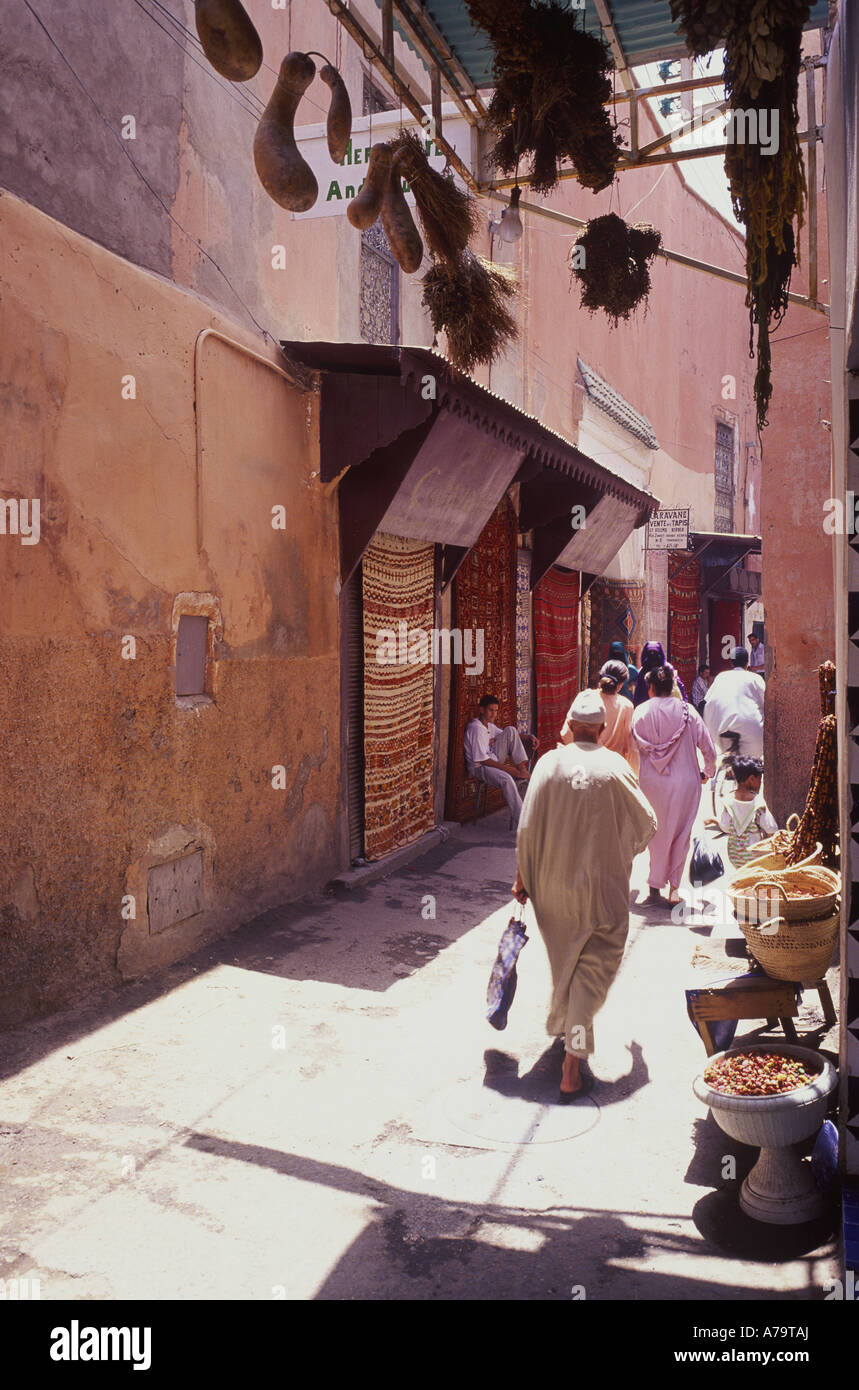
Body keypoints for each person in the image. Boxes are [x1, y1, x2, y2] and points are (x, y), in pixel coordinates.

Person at [512, 689, 656, 1100]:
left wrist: (522, 878)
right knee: (593, 969)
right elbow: (646, 823)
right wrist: (617, 844)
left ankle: (566, 1029)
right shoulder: (613, 766)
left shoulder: (547, 764)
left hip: (551, 889)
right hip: (601, 889)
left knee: (566, 963)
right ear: (603, 729)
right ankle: (571, 1067)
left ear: (570, 726)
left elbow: (527, 826)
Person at [632, 664, 717, 907]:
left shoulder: (640, 712)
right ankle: (674, 889)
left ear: (650, 688)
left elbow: (633, 746)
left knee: (656, 834)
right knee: (681, 835)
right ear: (671, 687)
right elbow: (708, 748)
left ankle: (654, 886)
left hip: (651, 785)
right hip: (685, 784)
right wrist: (707, 772)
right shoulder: (688, 712)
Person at [464, 694, 532, 829]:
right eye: (491, 710)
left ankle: (522, 770)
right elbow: (482, 760)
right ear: (482, 710)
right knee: (507, 779)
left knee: (511, 730)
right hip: (479, 766)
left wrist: (529, 738)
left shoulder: (489, 726)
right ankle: (524, 824)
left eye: (496, 710)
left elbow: (511, 735)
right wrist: (509, 769)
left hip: (492, 758)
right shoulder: (476, 728)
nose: (494, 714)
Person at [561, 659, 639, 775]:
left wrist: (582, 754)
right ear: (621, 685)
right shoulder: (626, 706)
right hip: (612, 771)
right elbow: (631, 747)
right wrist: (633, 776)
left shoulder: (584, 697)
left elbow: (566, 733)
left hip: (583, 767)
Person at [706, 755, 778, 868]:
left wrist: (714, 820)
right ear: (751, 779)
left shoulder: (728, 801)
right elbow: (772, 828)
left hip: (735, 857)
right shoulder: (758, 804)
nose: (760, 783)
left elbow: (725, 826)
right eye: (760, 779)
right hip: (755, 857)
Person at [702, 646, 765, 759]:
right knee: (752, 764)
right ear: (747, 663)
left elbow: (708, 703)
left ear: (731, 663)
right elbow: (767, 704)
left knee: (724, 759)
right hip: (752, 734)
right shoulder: (756, 678)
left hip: (723, 732)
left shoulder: (721, 677)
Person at [633, 641, 688, 706]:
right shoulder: (642, 671)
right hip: (647, 708)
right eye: (650, 652)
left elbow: (678, 685)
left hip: (667, 706)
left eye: (655, 653)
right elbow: (638, 692)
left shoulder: (668, 668)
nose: (652, 655)